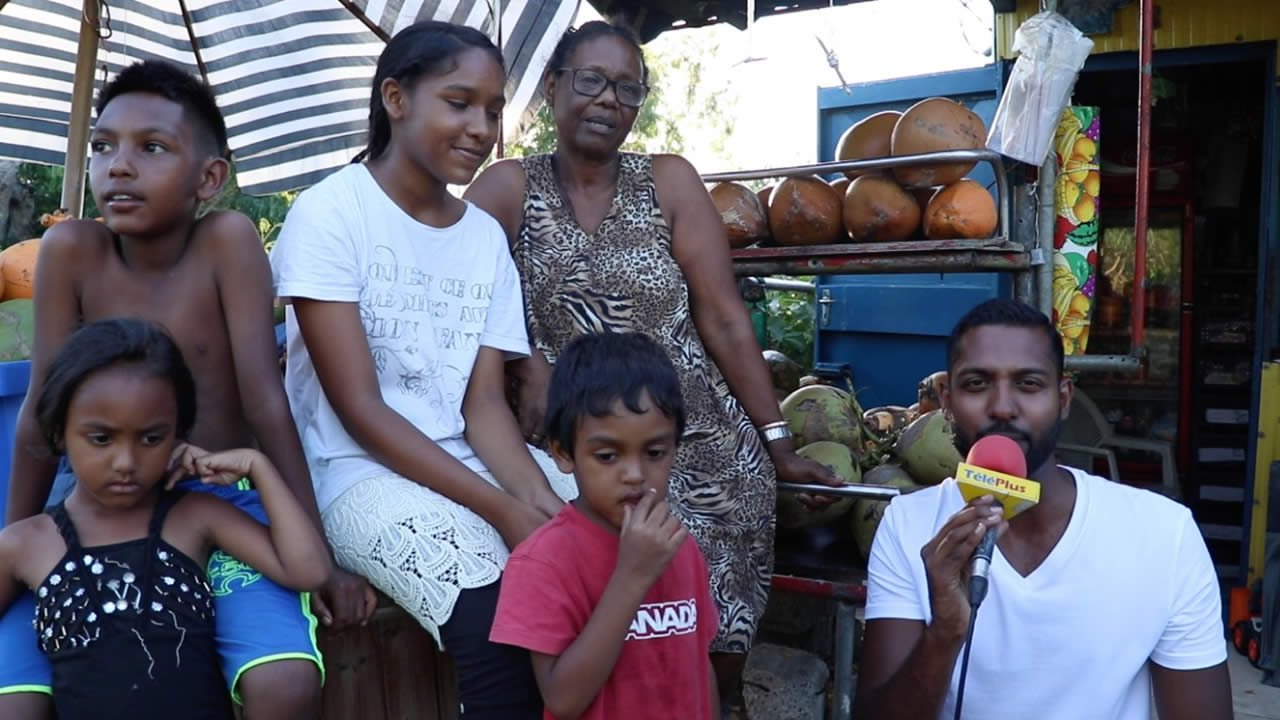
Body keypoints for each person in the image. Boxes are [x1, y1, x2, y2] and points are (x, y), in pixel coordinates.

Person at [463, 22, 841, 712]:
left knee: (708, 642)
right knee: (608, 630)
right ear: (552, 89)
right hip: (591, 449)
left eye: (628, 87)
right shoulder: (508, 187)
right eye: (592, 81)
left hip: (698, 445)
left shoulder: (667, 179)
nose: (610, 99)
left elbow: (724, 317)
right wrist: (526, 361)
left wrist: (778, 443)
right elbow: (457, 297)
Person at [0, 59, 368, 719]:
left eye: (152, 148)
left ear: (210, 178)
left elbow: (265, 400)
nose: (117, 165)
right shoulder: (71, 251)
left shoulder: (225, 242)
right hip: (85, 506)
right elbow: (39, 418)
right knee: (19, 696)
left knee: (282, 684)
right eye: (103, 146)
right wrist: (21, 542)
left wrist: (325, 556)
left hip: (217, 505)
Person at [269, 21, 577, 719]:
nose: (482, 127)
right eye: (460, 102)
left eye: (495, 110)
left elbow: (485, 411)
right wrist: (502, 511)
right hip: (357, 472)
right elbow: (360, 409)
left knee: (606, 533)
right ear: (396, 99)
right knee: (498, 613)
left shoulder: (481, 238)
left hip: (467, 453)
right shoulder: (330, 215)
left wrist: (541, 504)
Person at [854, 298, 1233, 720]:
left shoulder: (1165, 534)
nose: (1002, 407)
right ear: (946, 398)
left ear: (1064, 397)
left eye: (1029, 384)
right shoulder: (908, 525)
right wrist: (946, 630)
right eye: (977, 383)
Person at [0, 318, 331, 720]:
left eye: (151, 438)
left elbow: (308, 571)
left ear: (178, 435)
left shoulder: (194, 517)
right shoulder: (26, 544)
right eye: (101, 439)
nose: (126, 462)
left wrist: (257, 467)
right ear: (58, 432)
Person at [490, 331, 718, 720]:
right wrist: (632, 576)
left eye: (655, 453)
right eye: (608, 456)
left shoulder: (678, 545)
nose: (634, 474)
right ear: (564, 453)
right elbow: (562, 699)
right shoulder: (542, 561)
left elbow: (700, 667)